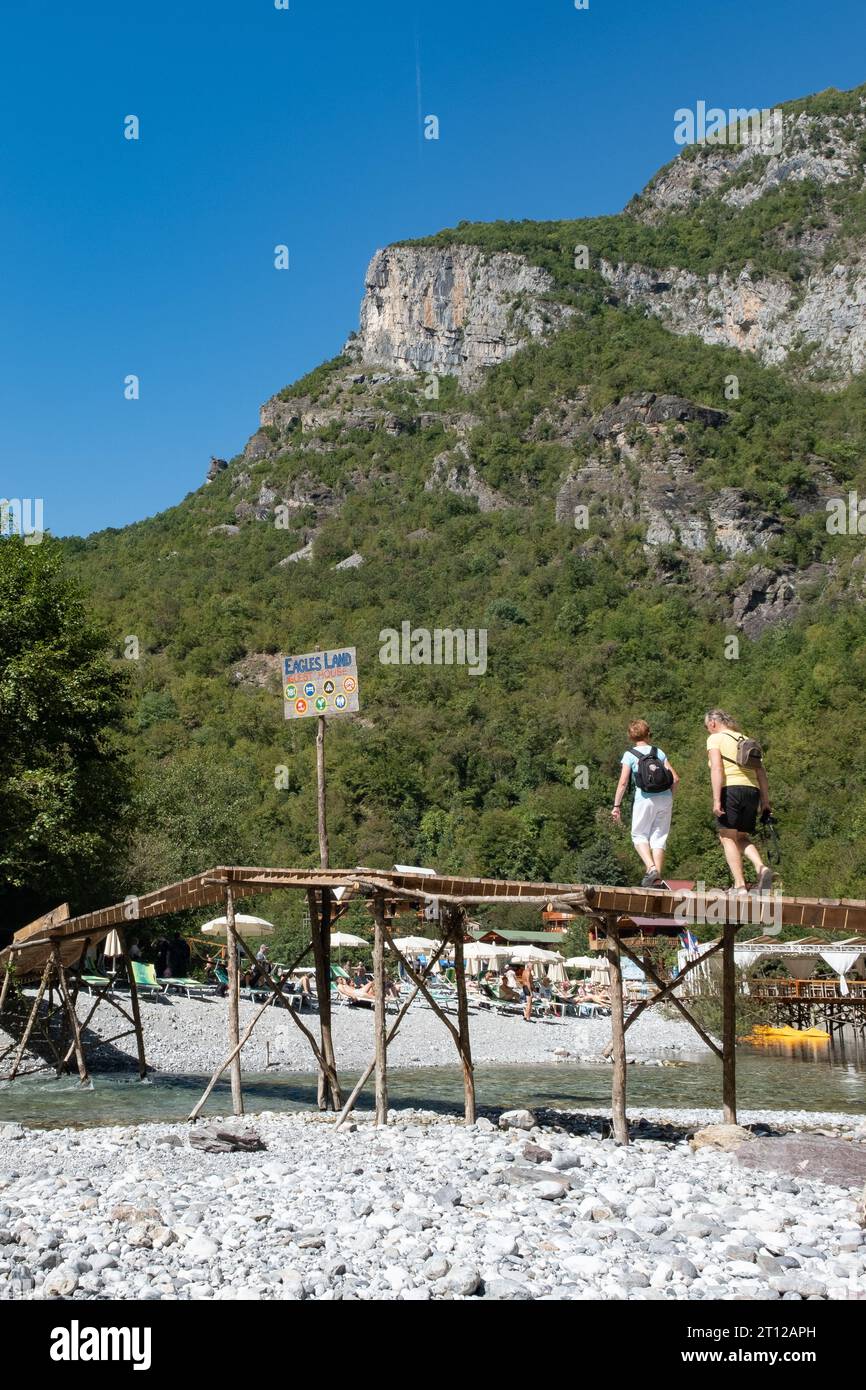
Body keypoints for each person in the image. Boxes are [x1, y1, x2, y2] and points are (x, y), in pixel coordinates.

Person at [704, 709, 773, 893]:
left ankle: (740, 885)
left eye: (707, 727)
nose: (708, 730)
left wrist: (717, 799)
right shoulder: (746, 739)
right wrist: (765, 802)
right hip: (752, 791)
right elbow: (761, 773)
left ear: (712, 723)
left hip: (731, 790)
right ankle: (761, 868)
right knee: (741, 837)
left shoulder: (715, 739)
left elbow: (717, 769)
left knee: (726, 837)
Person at [611, 719, 679, 887]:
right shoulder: (658, 752)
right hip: (665, 798)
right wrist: (669, 797)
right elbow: (675, 779)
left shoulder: (630, 755)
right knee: (659, 837)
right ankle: (657, 880)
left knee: (639, 835)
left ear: (631, 736)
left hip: (644, 799)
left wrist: (616, 806)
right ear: (648, 733)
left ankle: (651, 868)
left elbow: (623, 783)